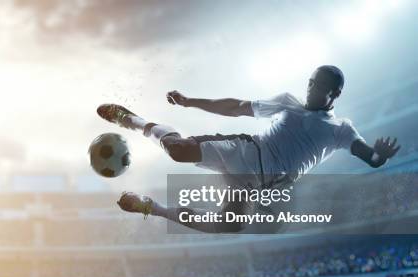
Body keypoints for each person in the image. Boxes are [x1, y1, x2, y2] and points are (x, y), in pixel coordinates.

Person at [97, 65, 401, 233]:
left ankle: (154, 208)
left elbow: (369, 157)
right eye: (310, 83)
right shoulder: (287, 103)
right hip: (245, 152)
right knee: (178, 149)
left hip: (257, 184)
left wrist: (380, 156)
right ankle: (132, 120)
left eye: (318, 87)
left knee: (228, 224)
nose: (310, 89)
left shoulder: (342, 129)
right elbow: (236, 108)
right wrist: (190, 101)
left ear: (334, 94)